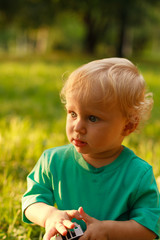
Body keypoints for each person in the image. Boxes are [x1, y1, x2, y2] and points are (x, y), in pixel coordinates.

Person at [22, 58, 160, 240]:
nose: (78, 127)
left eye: (92, 118)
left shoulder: (138, 174)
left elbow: (149, 228)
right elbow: (32, 201)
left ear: (128, 126)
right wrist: (49, 215)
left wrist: (107, 231)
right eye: (72, 113)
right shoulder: (53, 161)